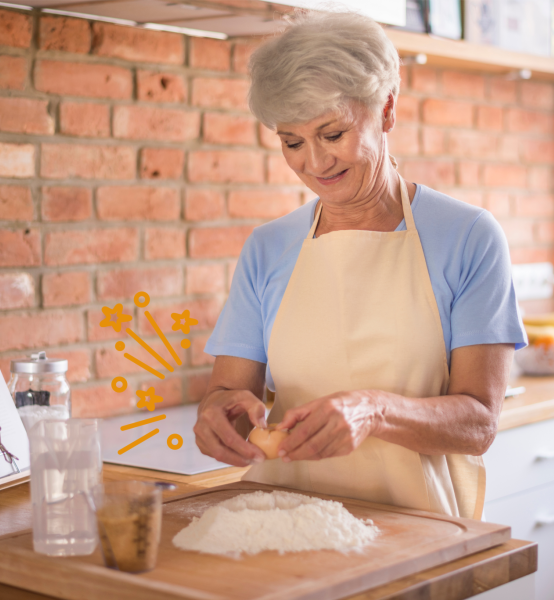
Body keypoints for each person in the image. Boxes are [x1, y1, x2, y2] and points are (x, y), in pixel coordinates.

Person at [193, 10, 527, 519]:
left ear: (386, 109)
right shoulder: (268, 247)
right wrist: (218, 416)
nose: (315, 163)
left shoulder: (467, 237)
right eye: (292, 142)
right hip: (284, 522)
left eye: (332, 133)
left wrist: (374, 411)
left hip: (417, 527)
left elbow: (479, 423)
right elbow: (229, 393)